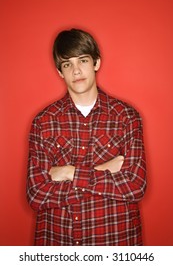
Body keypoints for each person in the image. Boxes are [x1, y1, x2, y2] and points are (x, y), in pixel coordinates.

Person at [27, 28, 147, 246]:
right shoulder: (43, 122)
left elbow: (135, 185)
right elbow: (36, 195)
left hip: (115, 243)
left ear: (96, 63)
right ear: (60, 72)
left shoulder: (126, 117)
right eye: (67, 64)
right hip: (59, 243)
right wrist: (103, 170)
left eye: (82, 60)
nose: (76, 71)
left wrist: (68, 172)